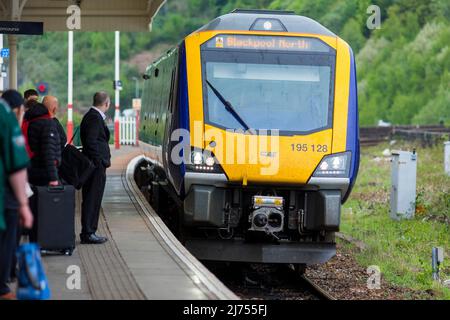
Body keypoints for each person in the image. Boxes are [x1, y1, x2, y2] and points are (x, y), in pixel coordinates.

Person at [0, 93, 33, 300]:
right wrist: (24, 204)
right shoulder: (6, 117)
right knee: (6, 242)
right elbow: (17, 167)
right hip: (5, 200)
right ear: (19, 110)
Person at [79, 92, 111, 244]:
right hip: (95, 166)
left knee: (94, 198)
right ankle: (88, 232)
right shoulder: (94, 117)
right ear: (106, 103)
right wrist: (99, 161)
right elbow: (91, 142)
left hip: (96, 165)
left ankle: (90, 230)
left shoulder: (93, 116)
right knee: (92, 198)